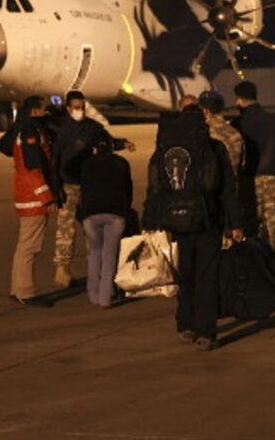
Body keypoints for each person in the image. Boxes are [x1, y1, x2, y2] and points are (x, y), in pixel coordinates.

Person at [142, 105, 243, 351]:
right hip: (207, 221)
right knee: (207, 276)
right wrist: (236, 223)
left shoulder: (164, 149)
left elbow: (155, 188)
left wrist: (149, 222)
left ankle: (184, 324)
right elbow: (227, 189)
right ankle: (205, 332)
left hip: (175, 223)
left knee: (184, 275)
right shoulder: (213, 148)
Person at [52, 90, 135, 288]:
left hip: (89, 185)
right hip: (68, 184)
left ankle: (96, 269)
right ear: (68, 108)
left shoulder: (92, 128)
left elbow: (107, 142)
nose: (78, 111)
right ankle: (62, 267)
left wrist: (123, 143)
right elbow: (54, 160)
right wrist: (55, 187)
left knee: (92, 228)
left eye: (81, 107)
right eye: (75, 107)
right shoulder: (60, 130)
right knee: (66, 228)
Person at [0, 95, 56, 308]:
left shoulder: (21, 128)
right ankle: (25, 292)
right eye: (44, 109)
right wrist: (46, 197)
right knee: (30, 246)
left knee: (24, 245)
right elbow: (32, 168)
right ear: (35, 111)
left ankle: (17, 289)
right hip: (32, 198)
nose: (47, 112)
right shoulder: (30, 131)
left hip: (25, 194)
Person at [234, 79, 275, 260]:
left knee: (252, 227)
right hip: (273, 181)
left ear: (240, 99)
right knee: (274, 230)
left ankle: (255, 268)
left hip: (248, 182)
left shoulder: (237, 124)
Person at [77, 140, 133, 308]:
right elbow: (128, 188)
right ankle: (105, 297)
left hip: (91, 214)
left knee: (94, 254)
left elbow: (82, 190)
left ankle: (93, 293)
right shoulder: (121, 163)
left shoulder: (86, 165)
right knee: (109, 255)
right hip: (115, 213)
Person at [198, 90, 244, 174]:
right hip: (231, 184)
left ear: (205, 111)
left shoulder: (203, 132)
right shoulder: (235, 133)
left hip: (210, 184)